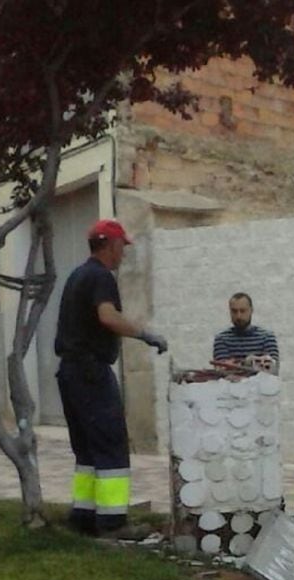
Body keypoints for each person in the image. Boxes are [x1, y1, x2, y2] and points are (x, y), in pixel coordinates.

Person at [54, 218, 168, 540]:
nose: (123, 255)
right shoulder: (101, 277)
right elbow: (107, 316)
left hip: (70, 372)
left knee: (87, 450)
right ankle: (114, 524)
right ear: (111, 245)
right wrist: (146, 334)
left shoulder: (78, 275)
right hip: (91, 373)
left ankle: (84, 515)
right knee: (111, 443)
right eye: (122, 247)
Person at [212, 292, 279, 373]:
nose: (238, 316)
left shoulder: (267, 337)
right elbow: (222, 371)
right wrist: (251, 363)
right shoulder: (222, 339)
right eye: (234, 311)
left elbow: (272, 370)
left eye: (242, 311)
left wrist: (240, 364)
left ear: (251, 310)